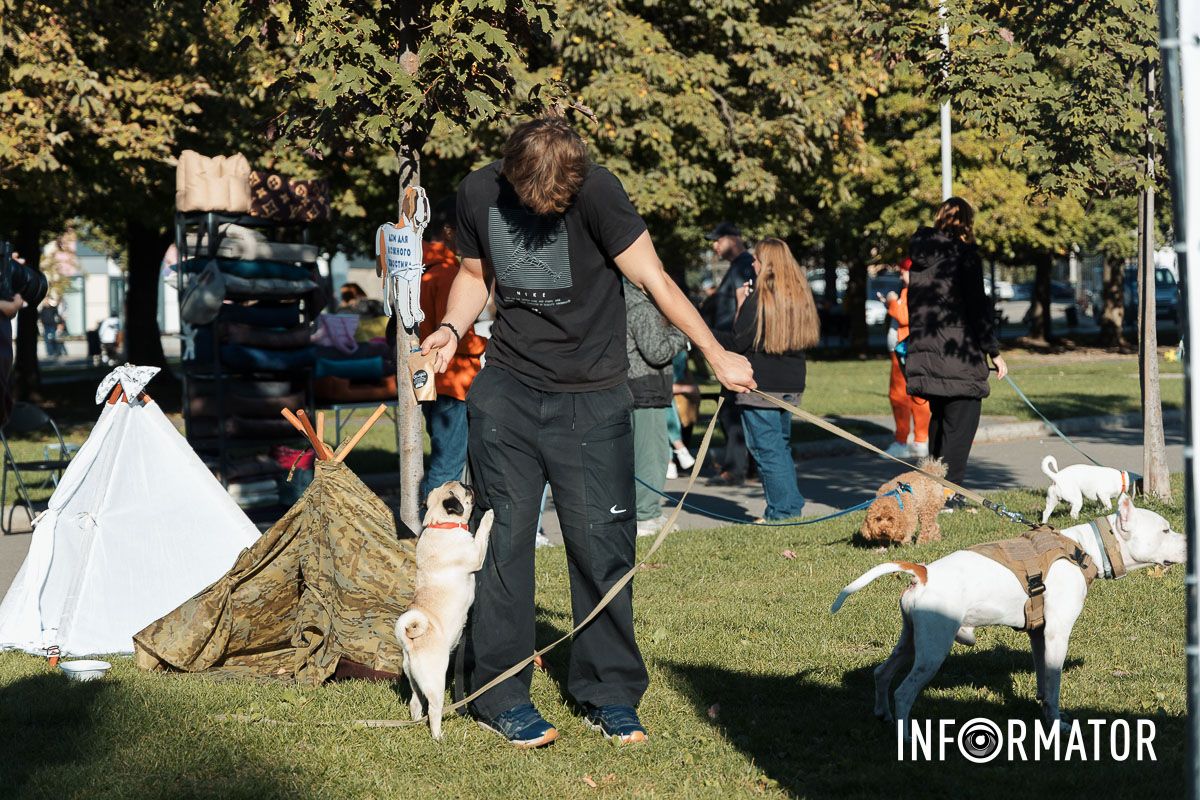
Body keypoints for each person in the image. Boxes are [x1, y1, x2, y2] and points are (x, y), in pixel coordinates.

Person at [420, 115, 754, 748]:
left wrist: (714, 352)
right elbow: (472, 277)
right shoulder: (476, 193)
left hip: (594, 399)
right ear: (509, 173)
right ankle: (499, 693)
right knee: (502, 543)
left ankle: (610, 692)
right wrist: (448, 330)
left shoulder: (599, 192)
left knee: (602, 548)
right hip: (508, 393)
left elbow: (654, 281)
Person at [905, 197, 1008, 503]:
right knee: (961, 426)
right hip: (959, 354)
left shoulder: (921, 262)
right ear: (966, 223)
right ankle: (950, 494)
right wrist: (994, 351)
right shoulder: (964, 257)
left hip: (927, 353)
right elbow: (978, 307)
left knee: (939, 422)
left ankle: (931, 488)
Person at [716, 238, 819, 521]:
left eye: (757, 259)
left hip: (761, 385)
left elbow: (738, 341)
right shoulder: (799, 296)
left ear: (768, 265)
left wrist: (739, 305)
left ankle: (781, 511)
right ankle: (790, 504)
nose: (753, 263)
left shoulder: (758, 299)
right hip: (791, 383)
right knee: (779, 445)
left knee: (767, 449)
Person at [417, 197, 487, 501]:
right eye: (464, 232)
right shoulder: (446, 274)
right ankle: (434, 527)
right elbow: (454, 333)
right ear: (448, 232)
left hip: (428, 378)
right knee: (448, 465)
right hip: (452, 380)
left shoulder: (419, 271)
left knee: (441, 457)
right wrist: (486, 342)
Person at [624, 277, 687, 536]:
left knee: (646, 453)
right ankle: (646, 515)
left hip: (636, 386)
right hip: (646, 388)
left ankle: (646, 512)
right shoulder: (642, 307)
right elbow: (656, 352)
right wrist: (680, 332)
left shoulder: (625, 301)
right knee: (652, 455)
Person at [705, 222, 757, 486]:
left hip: (734, 345)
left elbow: (742, 304)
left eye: (717, 239)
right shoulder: (739, 265)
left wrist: (737, 342)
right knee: (737, 409)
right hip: (730, 343)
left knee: (731, 411)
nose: (714, 245)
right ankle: (749, 467)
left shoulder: (742, 265)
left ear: (733, 238)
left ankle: (735, 469)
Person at [882, 260, 930, 458]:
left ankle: (908, 440)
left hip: (906, 350)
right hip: (905, 349)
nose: (901, 276)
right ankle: (917, 439)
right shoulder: (912, 291)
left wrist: (891, 301)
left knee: (903, 396)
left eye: (904, 272)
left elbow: (904, 317)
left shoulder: (915, 292)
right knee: (910, 396)